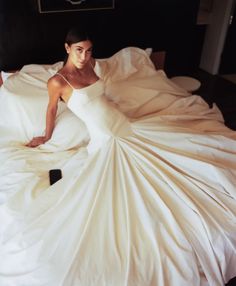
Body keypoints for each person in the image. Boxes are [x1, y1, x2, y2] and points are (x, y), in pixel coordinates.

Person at [1, 26, 236, 286]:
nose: (84, 56)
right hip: (106, 140)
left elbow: (99, 97)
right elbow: (51, 110)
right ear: (67, 48)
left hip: (127, 126)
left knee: (191, 160)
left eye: (89, 51)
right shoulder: (58, 81)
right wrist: (45, 137)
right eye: (79, 50)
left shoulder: (91, 67)